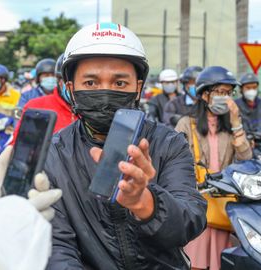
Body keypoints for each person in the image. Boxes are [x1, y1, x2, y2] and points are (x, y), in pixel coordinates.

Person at [44, 22, 207, 270]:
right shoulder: (55, 153)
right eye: (90, 83)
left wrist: (146, 203)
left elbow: (190, 221)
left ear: (138, 88)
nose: (105, 92)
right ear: (71, 90)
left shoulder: (170, 143)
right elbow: (58, 245)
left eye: (119, 83)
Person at [175, 66, 252, 270]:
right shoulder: (186, 124)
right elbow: (175, 163)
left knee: (222, 260)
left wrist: (236, 124)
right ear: (204, 94)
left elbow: (246, 160)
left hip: (223, 205)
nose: (225, 98)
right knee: (194, 260)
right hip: (196, 202)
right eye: (219, 92)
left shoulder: (231, 126)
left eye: (228, 93)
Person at [13, 53, 76, 136]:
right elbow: (19, 120)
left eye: (52, 75)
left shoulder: (69, 98)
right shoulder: (27, 96)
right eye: (46, 75)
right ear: (38, 78)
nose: (50, 78)